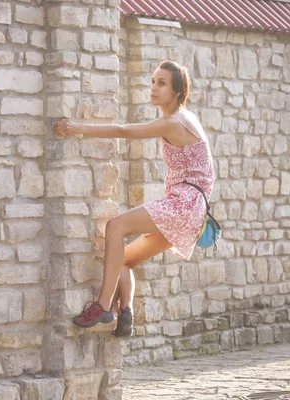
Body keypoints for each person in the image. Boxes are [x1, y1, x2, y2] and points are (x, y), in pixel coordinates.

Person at [53, 60, 215, 337]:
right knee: (122, 260)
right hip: (195, 209)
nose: (153, 88)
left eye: (161, 83)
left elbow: (125, 131)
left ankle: (103, 306)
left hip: (185, 202)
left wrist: (78, 127)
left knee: (116, 227)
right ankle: (125, 313)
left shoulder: (173, 122)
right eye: (153, 81)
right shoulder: (186, 118)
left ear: (177, 92)